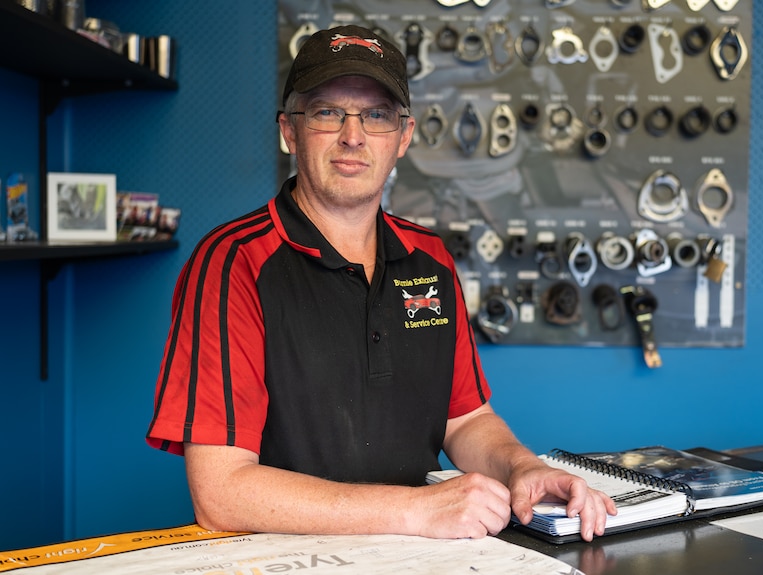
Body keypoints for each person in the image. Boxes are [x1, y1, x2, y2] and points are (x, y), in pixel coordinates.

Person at [146, 24, 616, 541]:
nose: (353, 136)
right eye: (327, 112)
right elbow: (221, 493)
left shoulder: (430, 260)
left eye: (376, 115)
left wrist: (523, 467)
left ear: (403, 137)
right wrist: (416, 510)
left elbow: (465, 419)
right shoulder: (233, 262)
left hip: (418, 557)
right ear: (289, 131)